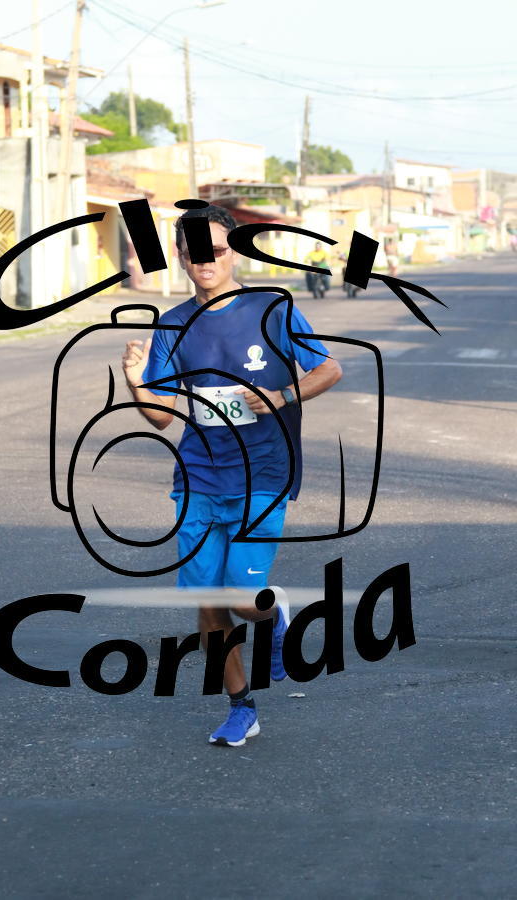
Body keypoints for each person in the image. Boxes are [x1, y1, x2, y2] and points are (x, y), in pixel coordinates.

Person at [121, 205, 342, 747]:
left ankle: (273, 610)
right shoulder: (173, 324)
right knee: (206, 604)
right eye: (193, 253)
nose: (206, 261)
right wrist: (136, 382)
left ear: (234, 251)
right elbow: (162, 417)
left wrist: (281, 396)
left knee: (242, 600)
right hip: (197, 478)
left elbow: (328, 368)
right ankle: (242, 708)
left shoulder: (272, 309)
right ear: (181, 258)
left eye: (216, 250)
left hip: (262, 474)